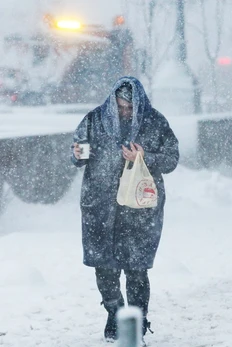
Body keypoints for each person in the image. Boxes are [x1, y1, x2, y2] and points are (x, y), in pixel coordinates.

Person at [71, 76, 179, 342]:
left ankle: (136, 323)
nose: (125, 112)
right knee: (104, 268)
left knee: (136, 269)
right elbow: (79, 155)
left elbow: (172, 158)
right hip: (100, 205)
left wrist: (145, 158)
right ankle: (114, 313)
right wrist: (76, 154)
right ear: (112, 102)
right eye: (120, 107)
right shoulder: (94, 119)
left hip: (140, 209)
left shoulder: (155, 122)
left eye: (130, 108)